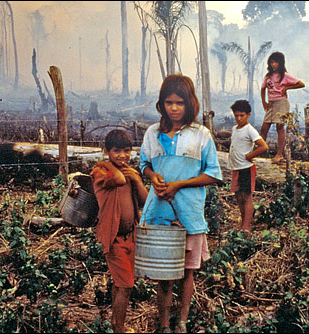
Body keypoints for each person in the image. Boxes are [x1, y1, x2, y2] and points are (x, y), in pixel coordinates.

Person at [139, 74, 222, 333]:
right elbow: (144, 165)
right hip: (159, 214)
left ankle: (182, 323)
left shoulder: (201, 135)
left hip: (189, 215)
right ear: (161, 104)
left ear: (190, 103)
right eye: (168, 102)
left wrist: (179, 185)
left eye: (179, 103)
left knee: (187, 272)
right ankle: (163, 324)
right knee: (164, 275)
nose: (174, 108)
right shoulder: (153, 133)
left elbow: (213, 174)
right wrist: (153, 177)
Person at [90, 129, 149, 333]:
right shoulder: (100, 172)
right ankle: (119, 328)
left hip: (130, 236)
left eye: (127, 151)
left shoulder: (129, 174)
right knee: (126, 285)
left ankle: (116, 323)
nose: (123, 156)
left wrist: (137, 180)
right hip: (113, 238)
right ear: (106, 151)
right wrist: (106, 164)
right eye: (116, 151)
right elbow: (117, 180)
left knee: (120, 283)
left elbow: (145, 200)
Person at [227, 100, 268, 232]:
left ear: (248, 115)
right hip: (236, 167)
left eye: (242, 115)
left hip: (246, 167)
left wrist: (250, 155)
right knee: (238, 196)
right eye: (236, 115)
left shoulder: (250, 130)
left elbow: (263, 146)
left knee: (246, 196)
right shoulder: (234, 129)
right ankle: (242, 222)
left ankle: (246, 226)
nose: (239, 118)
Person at [260, 51, 305, 164]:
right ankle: (259, 151)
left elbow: (301, 84)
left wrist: (287, 88)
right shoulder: (268, 76)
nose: (273, 64)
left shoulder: (285, 75)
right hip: (271, 103)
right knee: (264, 128)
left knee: (279, 127)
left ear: (280, 63)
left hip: (281, 103)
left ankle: (279, 154)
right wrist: (264, 102)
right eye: (271, 62)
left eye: (276, 62)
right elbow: (263, 89)